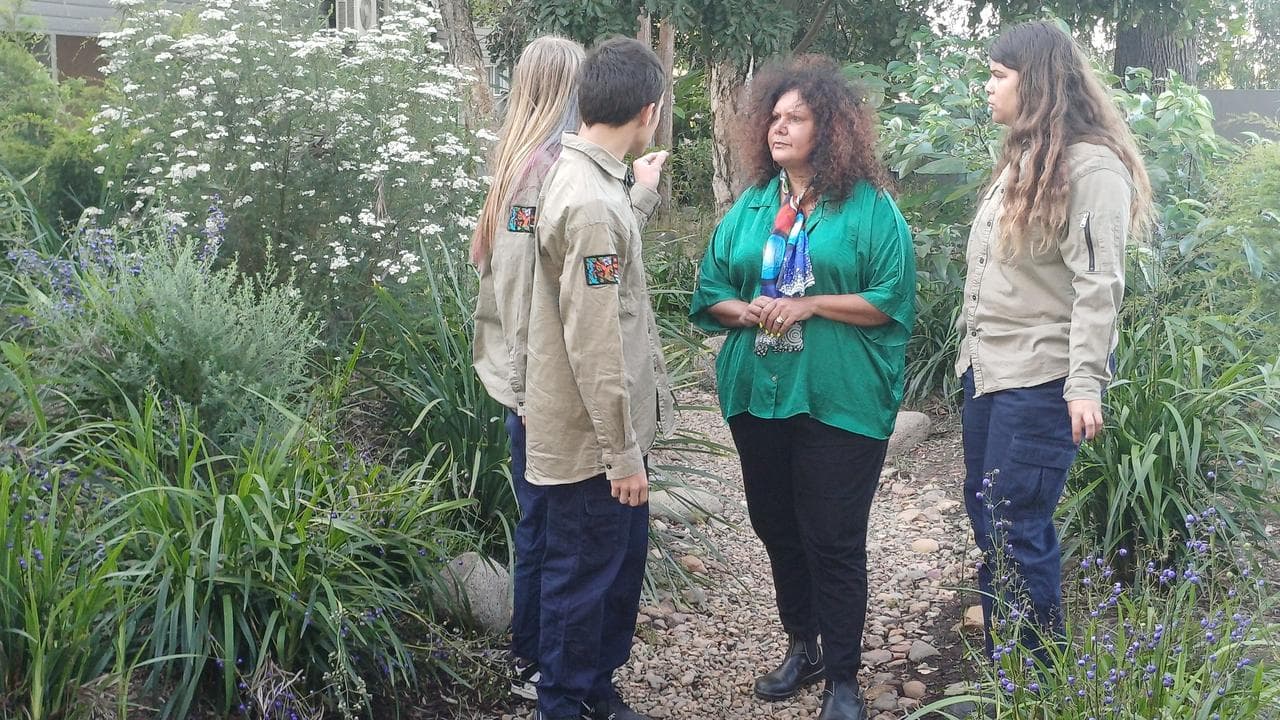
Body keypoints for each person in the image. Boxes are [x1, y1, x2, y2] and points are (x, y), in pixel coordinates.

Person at [690, 57, 916, 720]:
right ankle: (803, 646)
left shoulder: (869, 209)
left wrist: (810, 305)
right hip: (758, 395)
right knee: (777, 527)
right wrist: (751, 310)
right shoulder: (754, 207)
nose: (779, 128)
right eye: (775, 117)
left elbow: (891, 297)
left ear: (831, 127)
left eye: (797, 117)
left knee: (833, 537)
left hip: (838, 397)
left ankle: (843, 678)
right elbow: (711, 291)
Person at [956, 20, 1153, 661]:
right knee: (990, 519)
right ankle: (1006, 672)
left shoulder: (1092, 168)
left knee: (1017, 526)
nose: (988, 88)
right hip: (988, 370)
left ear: (1035, 83)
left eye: (998, 76)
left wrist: (1086, 383)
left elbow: (1100, 283)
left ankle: (1035, 681)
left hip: (1042, 379)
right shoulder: (1025, 160)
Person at [523, 36, 673, 720]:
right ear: (648, 111)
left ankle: (594, 692)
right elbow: (594, 341)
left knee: (612, 571)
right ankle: (562, 701)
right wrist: (622, 453)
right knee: (581, 581)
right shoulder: (589, 202)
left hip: (606, 438)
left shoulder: (594, 182)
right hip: (591, 445)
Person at [470, 35, 585, 702]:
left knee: (537, 520)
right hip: (536, 385)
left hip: (520, 381)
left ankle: (529, 654)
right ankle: (541, 664)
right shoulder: (542, 170)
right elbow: (523, 292)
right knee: (552, 526)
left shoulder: (515, 164)